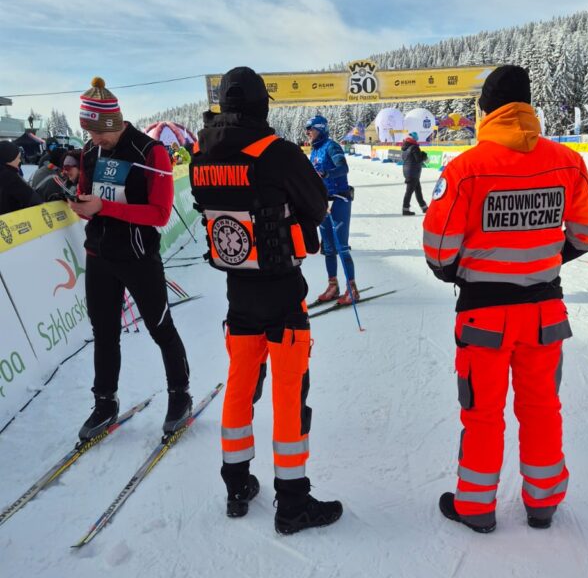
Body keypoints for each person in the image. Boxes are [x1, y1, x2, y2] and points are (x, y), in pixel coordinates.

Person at [423, 65, 588, 533]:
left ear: (485, 110)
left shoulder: (466, 167)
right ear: (528, 107)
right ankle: (543, 502)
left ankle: (477, 507)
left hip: (483, 314)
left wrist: (461, 273)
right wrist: (547, 258)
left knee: (483, 413)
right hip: (544, 311)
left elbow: (439, 249)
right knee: (542, 407)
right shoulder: (566, 160)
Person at [191, 67, 342, 531]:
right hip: (281, 289)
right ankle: (293, 501)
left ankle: (237, 485)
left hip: (239, 292)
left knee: (239, 385)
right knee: (290, 392)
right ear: (262, 106)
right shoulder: (277, 153)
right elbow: (318, 205)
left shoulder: (200, 155)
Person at [69, 77, 192, 441]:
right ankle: (105, 402)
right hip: (99, 255)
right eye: (88, 133)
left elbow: (159, 214)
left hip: (138, 256)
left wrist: (104, 206)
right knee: (104, 334)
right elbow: (85, 197)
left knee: (160, 327)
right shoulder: (90, 153)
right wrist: (81, 205)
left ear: (113, 123)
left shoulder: (149, 152)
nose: (93, 140)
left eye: (97, 132)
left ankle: (179, 395)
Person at [307, 115, 359, 304]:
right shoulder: (314, 150)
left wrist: (327, 173)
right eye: (307, 129)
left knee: (341, 246)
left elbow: (343, 168)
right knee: (328, 248)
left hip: (339, 200)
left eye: (310, 128)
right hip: (323, 203)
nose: (308, 132)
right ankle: (333, 285)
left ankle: (352, 288)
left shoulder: (331, 146)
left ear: (320, 129)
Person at [0, 140, 43, 214]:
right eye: (18, 158)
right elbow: (33, 200)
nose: (20, 161)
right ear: (9, 159)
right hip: (12, 222)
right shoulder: (9, 177)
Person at [401, 132, 428, 215]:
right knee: (409, 192)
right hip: (413, 172)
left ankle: (424, 208)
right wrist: (423, 155)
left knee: (418, 191)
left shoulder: (405, 147)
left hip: (409, 171)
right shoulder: (414, 147)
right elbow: (418, 159)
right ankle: (405, 209)